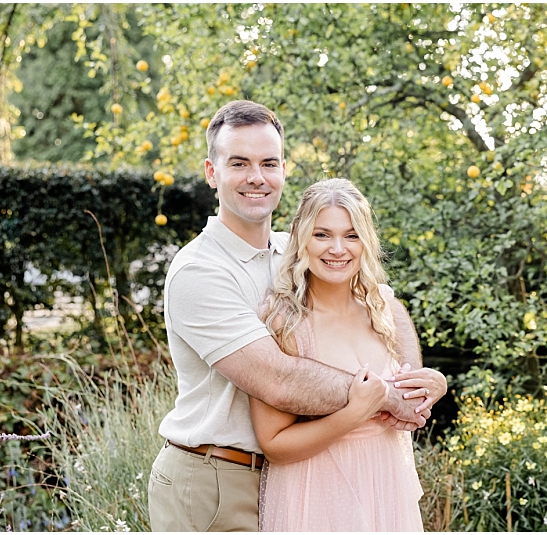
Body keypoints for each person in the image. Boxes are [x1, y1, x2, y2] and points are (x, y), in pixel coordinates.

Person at [148, 100, 447, 531]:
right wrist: (385, 397)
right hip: (215, 479)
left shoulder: (299, 248)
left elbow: (385, 301)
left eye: (268, 162)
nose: (257, 177)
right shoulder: (200, 271)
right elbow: (280, 381)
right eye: (239, 163)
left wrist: (414, 379)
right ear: (212, 173)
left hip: (297, 477)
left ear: (284, 170)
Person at [252, 178, 441, 531]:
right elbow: (275, 445)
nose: (337, 248)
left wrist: (435, 384)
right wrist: (355, 412)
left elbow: (410, 402)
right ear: (299, 236)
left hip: (387, 488)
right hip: (316, 495)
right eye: (322, 234)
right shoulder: (284, 322)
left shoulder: (381, 306)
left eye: (351, 235)